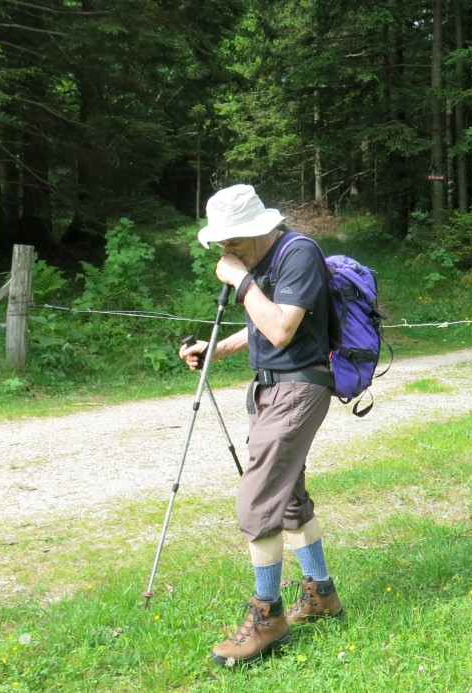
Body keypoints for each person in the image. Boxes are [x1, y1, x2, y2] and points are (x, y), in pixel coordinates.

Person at [179, 184, 344, 667]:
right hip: (272, 388)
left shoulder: (299, 255)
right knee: (287, 496)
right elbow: (258, 328)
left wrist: (239, 281)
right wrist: (213, 350)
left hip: (299, 389)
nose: (227, 252)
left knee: (258, 499)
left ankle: (267, 617)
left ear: (258, 228)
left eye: (233, 242)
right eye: (222, 244)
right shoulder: (260, 263)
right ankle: (321, 593)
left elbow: (280, 328)